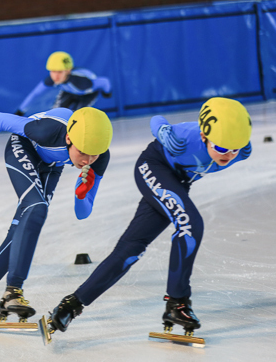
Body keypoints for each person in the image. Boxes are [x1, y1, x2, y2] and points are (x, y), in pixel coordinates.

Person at [45, 97, 252, 337]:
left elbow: (236, 148)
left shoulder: (242, 149)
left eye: (233, 149)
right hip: (153, 166)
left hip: (177, 182)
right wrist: (163, 131)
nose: (228, 155)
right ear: (204, 136)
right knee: (190, 224)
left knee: (131, 249)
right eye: (221, 148)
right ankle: (178, 302)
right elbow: (156, 120)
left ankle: (71, 305)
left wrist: (233, 149)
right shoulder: (187, 138)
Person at [0, 106, 113, 325]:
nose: (87, 160)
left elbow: (82, 214)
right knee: (37, 208)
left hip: (52, 165)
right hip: (23, 146)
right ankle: (13, 291)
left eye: (93, 154)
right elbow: (0, 119)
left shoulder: (99, 156)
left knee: (24, 225)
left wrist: (82, 193)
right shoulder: (47, 130)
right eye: (82, 152)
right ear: (69, 138)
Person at [15, 51, 112, 116]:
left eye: (59, 72)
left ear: (68, 71)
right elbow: (35, 94)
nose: (55, 76)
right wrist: (21, 110)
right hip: (68, 92)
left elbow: (104, 82)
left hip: (88, 95)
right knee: (55, 115)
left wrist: (107, 92)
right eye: (52, 71)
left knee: (78, 115)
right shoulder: (51, 80)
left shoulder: (82, 82)